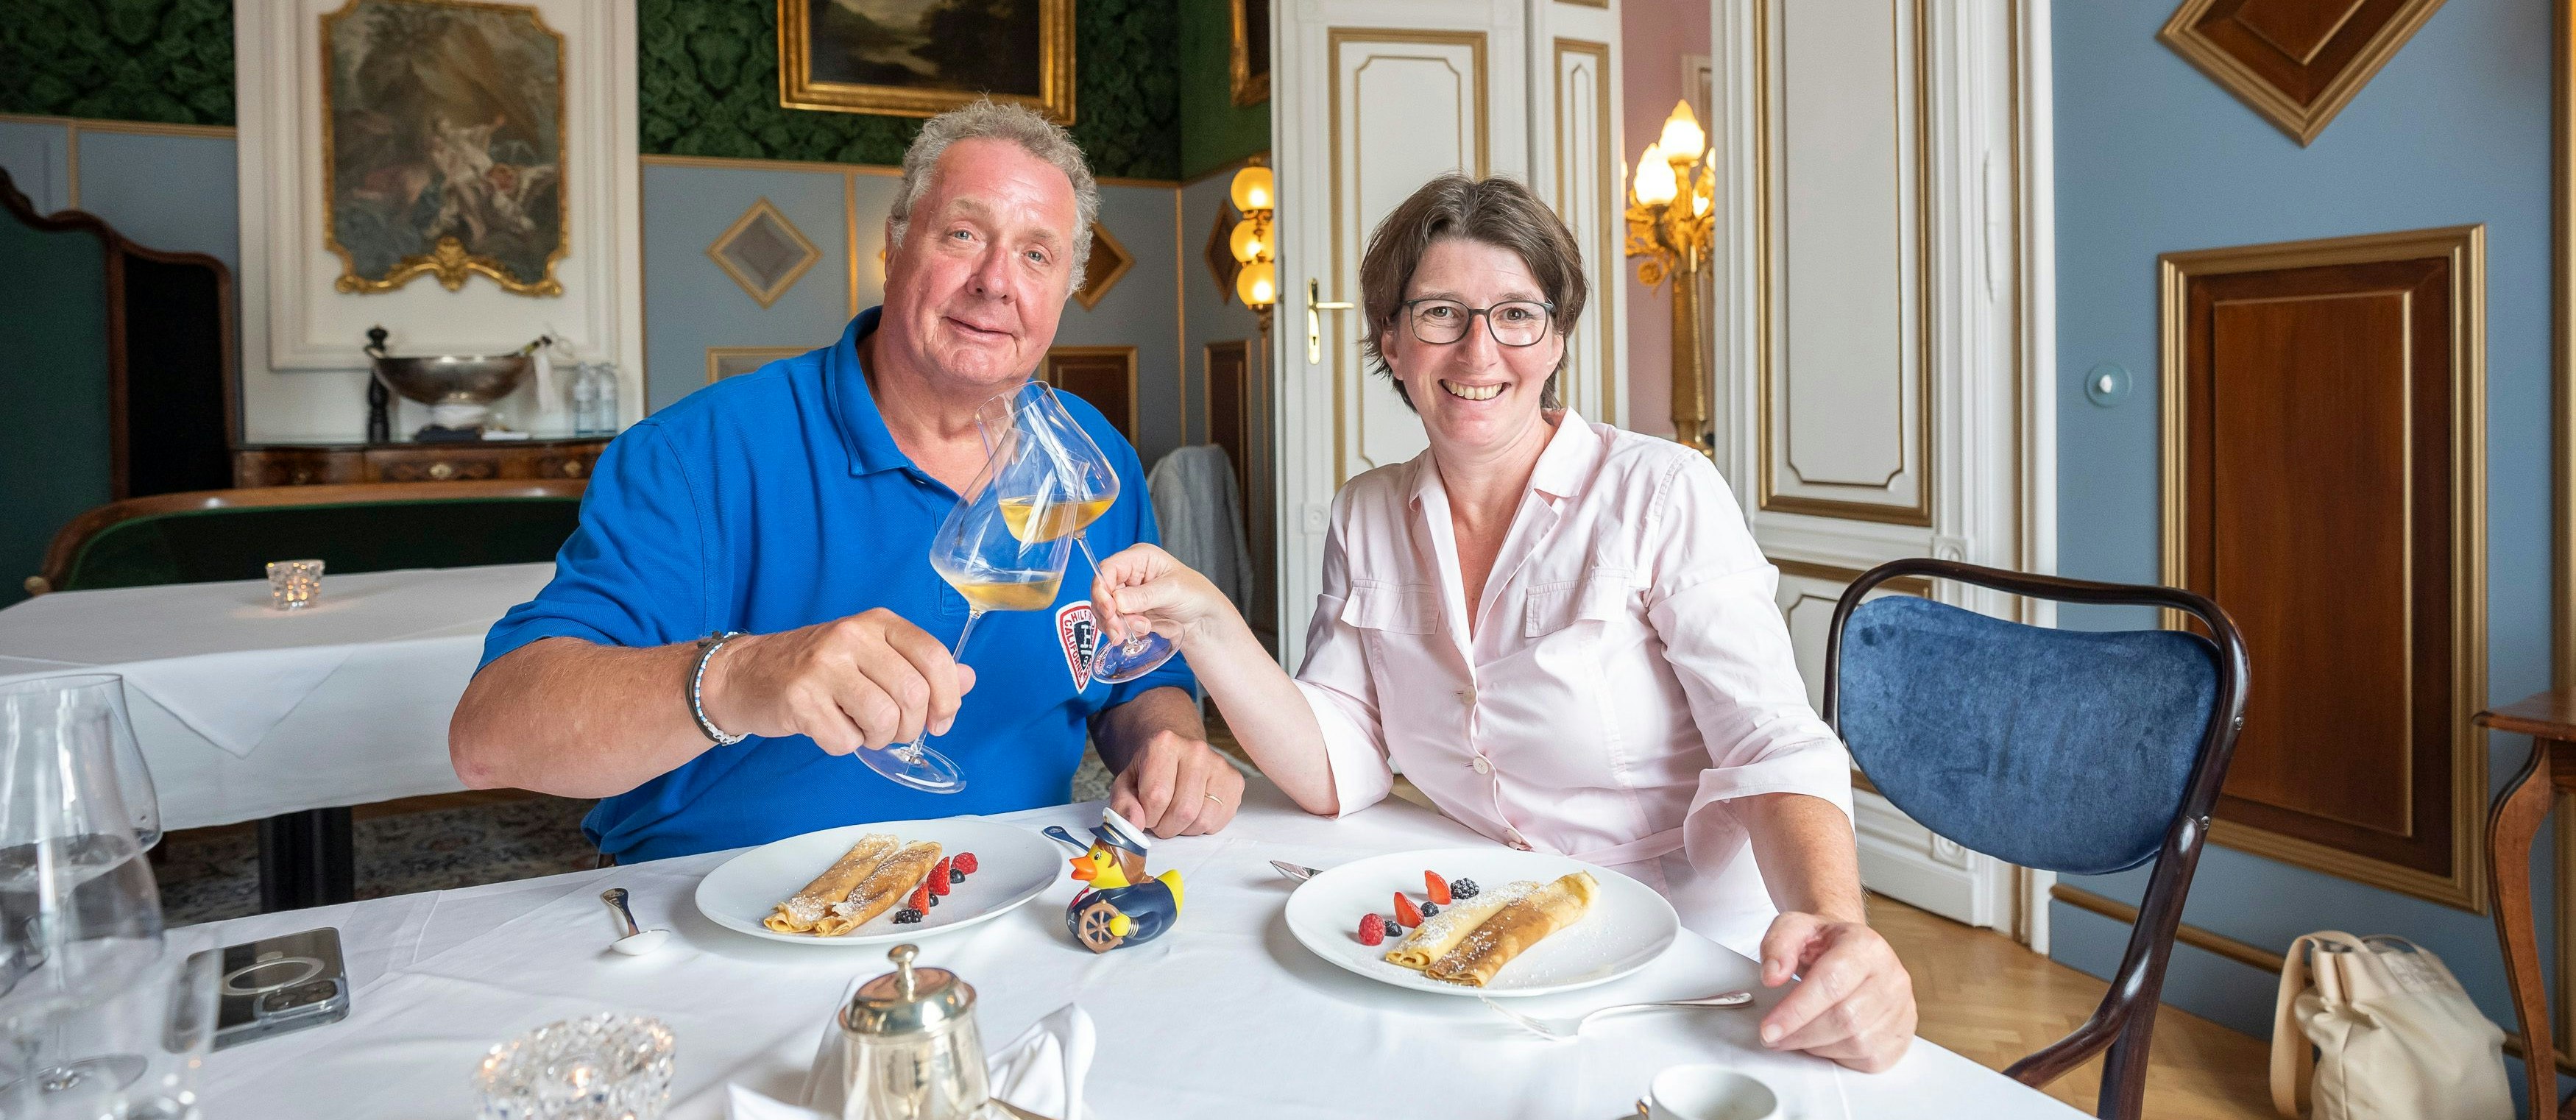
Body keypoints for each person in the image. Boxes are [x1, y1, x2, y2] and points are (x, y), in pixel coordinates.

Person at [1089, 174, 1917, 1071]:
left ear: (1555, 338)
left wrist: (1837, 930)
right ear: (1392, 342)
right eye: (1441, 312)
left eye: (1516, 314)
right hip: (1478, 929)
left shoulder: (1658, 491)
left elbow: (1769, 745)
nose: (1480, 350)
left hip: (1685, 964)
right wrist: (1205, 618)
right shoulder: (1364, 513)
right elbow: (1339, 766)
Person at [448, 101, 1247, 865]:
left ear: (1065, 290)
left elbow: (1143, 676)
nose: (996, 281)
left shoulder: (1087, 463)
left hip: (1016, 897)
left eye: (1036, 254)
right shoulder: (696, 455)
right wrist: (739, 675)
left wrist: (1164, 741)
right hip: (721, 919)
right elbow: (491, 735)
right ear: (894, 246)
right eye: (963, 234)